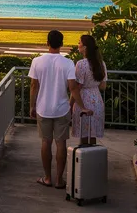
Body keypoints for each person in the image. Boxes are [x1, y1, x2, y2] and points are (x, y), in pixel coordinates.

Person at [29, 30, 91, 189]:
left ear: (47, 43)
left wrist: (32, 106)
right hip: (62, 108)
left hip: (43, 108)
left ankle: (47, 177)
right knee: (61, 143)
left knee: (45, 142)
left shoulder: (37, 61)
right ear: (62, 44)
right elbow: (73, 88)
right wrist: (82, 107)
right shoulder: (68, 63)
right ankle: (59, 180)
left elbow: (34, 86)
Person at [70, 34, 108, 145]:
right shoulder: (101, 63)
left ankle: (83, 160)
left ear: (85, 47)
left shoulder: (81, 64)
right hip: (97, 100)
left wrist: (70, 104)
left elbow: (76, 87)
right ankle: (92, 160)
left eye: (79, 42)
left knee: (83, 133)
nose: (78, 45)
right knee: (93, 134)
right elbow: (103, 86)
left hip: (83, 100)